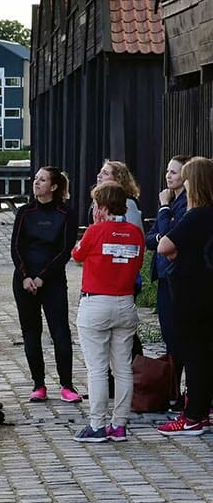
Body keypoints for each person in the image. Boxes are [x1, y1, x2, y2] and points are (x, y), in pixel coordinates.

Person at [70, 181, 145, 443]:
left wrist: (95, 226)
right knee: (123, 367)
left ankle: (97, 424)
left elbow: (77, 255)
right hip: (125, 302)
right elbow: (138, 263)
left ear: (100, 206)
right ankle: (120, 424)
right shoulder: (135, 232)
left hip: (96, 303)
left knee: (97, 369)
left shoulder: (95, 231)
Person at [155, 156, 213, 436]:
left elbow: (165, 245)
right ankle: (203, 409)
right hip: (206, 289)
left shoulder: (197, 215)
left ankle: (193, 416)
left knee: (195, 355)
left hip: (193, 292)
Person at [11, 166, 79, 403]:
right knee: (31, 331)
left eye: (42, 180)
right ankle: (38, 385)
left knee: (60, 331)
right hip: (24, 279)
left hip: (52, 280)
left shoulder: (66, 214)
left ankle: (67, 385)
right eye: (35, 179)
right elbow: (15, 247)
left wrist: (42, 277)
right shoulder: (24, 212)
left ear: (54, 186)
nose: (36, 183)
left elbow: (65, 251)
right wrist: (26, 276)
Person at [146, 155, 190, 407]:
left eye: (174, 172)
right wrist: (162, 229)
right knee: (168, 334)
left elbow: (169, 237)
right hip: (164, 277)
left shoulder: (182, 203)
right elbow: (152, 238)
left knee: (178, 336)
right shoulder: (173, 200)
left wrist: (164, 209)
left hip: (178, 276)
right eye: (167, 171)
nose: (168, 176)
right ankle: (174, 388)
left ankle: (181, 391)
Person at [97, 160, 144, 233]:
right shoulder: (97, 202)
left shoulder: (128, 203)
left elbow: (135, 232)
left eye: (105, 173)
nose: (99, 176)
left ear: (118, 179)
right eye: (100, 172)